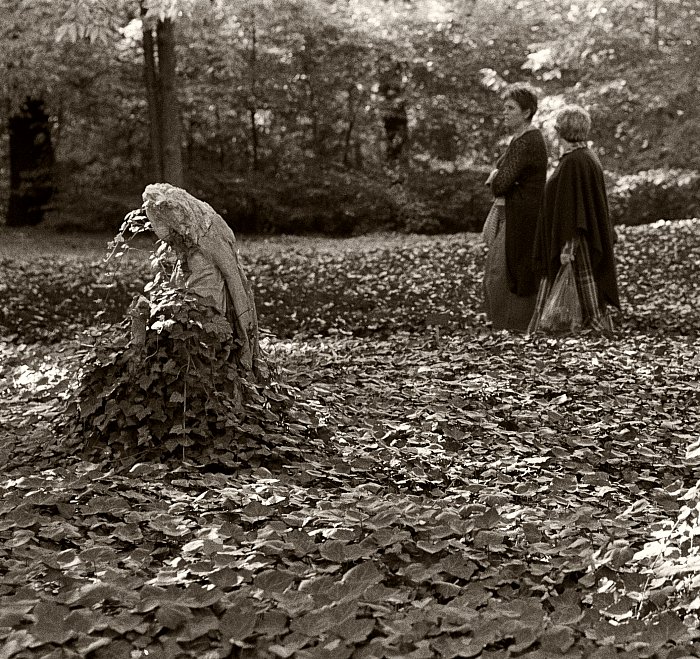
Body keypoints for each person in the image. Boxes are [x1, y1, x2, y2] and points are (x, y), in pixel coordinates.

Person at [528, 105, 620, 334]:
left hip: (575, 243)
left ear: (560, 131)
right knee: (586, 297)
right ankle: (587, 330)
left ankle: (558, 332)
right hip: (582, 240)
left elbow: (573, 210)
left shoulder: (574, 163)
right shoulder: (586, 157)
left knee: (581, 296)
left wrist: (568, 247)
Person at [483, 83, 548, 331]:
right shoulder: (520, 139)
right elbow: (504, 176)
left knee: (504, 274)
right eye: (504, 107)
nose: (505, 112)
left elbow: (500, 184)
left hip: (522, 219)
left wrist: (498, 176)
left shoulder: (528, 140)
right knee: (499, 272)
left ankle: (514, 328)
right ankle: (507, 327)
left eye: (511, 108)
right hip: (516, 216)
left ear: (527, 112)